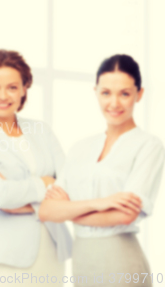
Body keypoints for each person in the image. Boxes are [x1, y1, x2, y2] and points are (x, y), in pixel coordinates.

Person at [39, 54, 165, 287]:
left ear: (140, 94)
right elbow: (46, 211)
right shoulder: (80, 148)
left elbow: (126, 214)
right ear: (96, 91)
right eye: (106, 92)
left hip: (122, 261)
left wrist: (67, 209)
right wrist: (101, 203)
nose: (114, 103)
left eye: (124, 93)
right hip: (82, 261)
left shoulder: (149, 145)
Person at [0, 50, 71, 286]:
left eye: (12, 87)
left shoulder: (42, 130)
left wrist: (21, 198)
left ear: (25, 88)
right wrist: (45, 183)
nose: (3, 95)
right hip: (4, 257)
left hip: (52, 250)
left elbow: (69, 184)